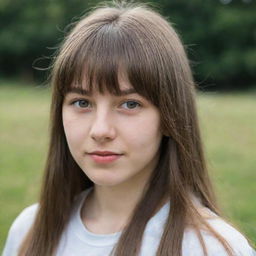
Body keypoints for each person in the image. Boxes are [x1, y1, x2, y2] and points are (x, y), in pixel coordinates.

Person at [2, 1, 255, 256]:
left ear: (170, 116)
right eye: (81, 102)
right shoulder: (29, 231)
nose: (100, 130)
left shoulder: (209, 248)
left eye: (130, 104)